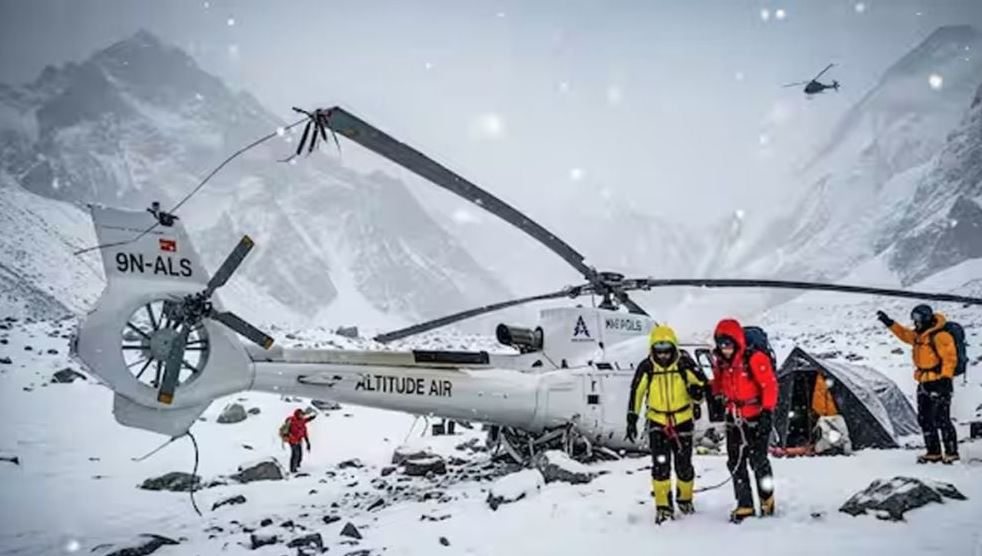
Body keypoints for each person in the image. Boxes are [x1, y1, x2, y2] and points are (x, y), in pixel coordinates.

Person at [626, 324, 708, 524]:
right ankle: (663, 506)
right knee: (660, 466)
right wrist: (632, 418)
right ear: (653, 349)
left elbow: (703, 384)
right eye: (659, 351)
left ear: (673, 348)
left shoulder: (684, 363)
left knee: (684, 466)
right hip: (658, 422)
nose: (663, 356)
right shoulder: (647, 367)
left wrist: (697, 394)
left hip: (683, 422)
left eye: (666, 350)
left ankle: (685, 499)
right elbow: (636, 392)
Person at [710, 318, 778, 523]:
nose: (725, 349)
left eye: (728, 345)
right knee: (735, 462)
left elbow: (770, 386)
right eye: (721, 345)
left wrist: (767, 412)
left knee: (759, 461)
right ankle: (745, 504)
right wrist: (710, 391)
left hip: (757, 417)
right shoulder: (721, 363)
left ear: (737, 342)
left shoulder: (754, 358)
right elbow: (719, 385)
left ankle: (767, 499)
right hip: (734, 419)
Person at [877, 305, 959, 464]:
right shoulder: (918, 336)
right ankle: (933, 452)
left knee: (942, 419)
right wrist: (889, 323)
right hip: (923, 382)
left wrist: (946, 379)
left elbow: (950, 359)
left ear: (927, 318)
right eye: (914, 318)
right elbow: (904, 334)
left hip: (939, 381)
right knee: (925, 419)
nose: (916, 322)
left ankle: (952, 453)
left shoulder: (940, 336)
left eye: (918, 318)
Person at [282, 408, 316, 473]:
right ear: (297, 414)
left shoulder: (302, 421)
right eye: (301, 414)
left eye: (302, 414)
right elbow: (286, 432)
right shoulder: (292, 420)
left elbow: (306, 422)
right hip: (292, 441)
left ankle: (297, 466)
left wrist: (307, 442)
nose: (302, 415)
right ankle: (292, 469)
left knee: (300, 454)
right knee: (295, 454)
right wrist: (289, 437)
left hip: (299, 440)